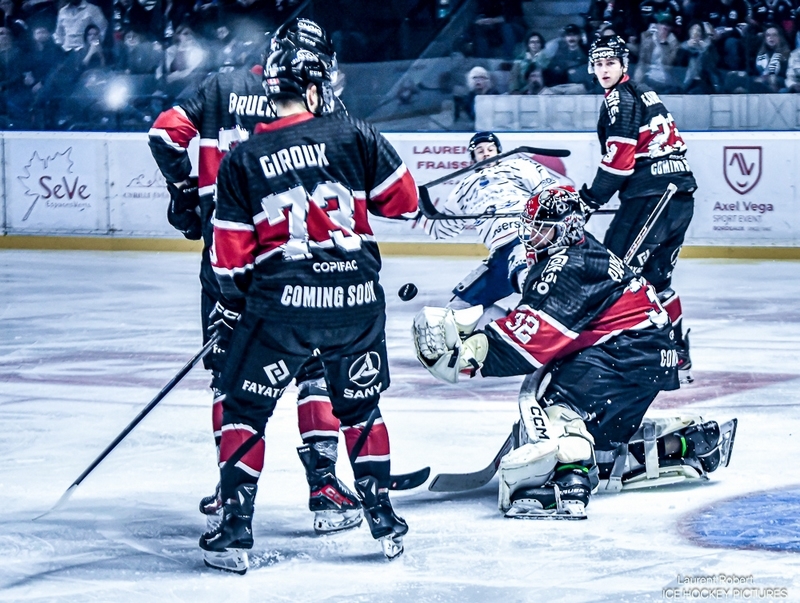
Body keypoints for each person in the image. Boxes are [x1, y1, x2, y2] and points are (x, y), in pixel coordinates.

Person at [148, 18, 364, 562]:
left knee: (230, 378)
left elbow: (164, 134)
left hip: (226, 257)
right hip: (297, 262)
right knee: (313, 371)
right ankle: (325, 489)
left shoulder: (220, 88)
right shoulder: (320, 104)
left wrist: (183, 194)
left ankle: (231, 499)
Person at [200, 39, 417, 571]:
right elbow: (405, 203)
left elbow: (228, 263)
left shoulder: (243, 158)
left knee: (245, 408)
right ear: (317, 87)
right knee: (361, 408)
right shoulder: (356, 134)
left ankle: (234, 529)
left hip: (282, 310)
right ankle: (382, 517)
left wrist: (237, 307)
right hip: (357, 302)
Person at [412, 186, 735, 518]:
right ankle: (687, 442)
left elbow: (532, 340)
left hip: (625, 352)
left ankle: (569, 484)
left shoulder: (566, 264)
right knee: (604, 448)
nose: (532, 235)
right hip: (648, 354)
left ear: (565, 228)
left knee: (558, 407)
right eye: (531, 225)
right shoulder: (583, 253)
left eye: (541, 227)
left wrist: (469, 356)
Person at [578, 35, 696, 384]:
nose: (603, 70)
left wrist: (588, 200)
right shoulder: (645, 93)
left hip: (653, 196)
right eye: (598, 64)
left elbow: (619, 163)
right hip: (679, 195)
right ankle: (674, 353)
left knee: (613, 273)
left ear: (623, 65)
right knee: (656, 281)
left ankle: (616, 353)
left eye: (609, 63)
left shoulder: (619, 99)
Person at [420, 131, 567, 314]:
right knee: (459, 310)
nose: (486, 153)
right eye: (480, 151)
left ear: (499, 152)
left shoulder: (518, 166)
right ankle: (508, 330)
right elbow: (440, 229)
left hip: (528, 239)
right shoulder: (464, 188)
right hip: (499, 256)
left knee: (529, 279)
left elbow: (552, 195)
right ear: (473, 157)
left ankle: (559, 319)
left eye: (491, 149)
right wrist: (420, 207)